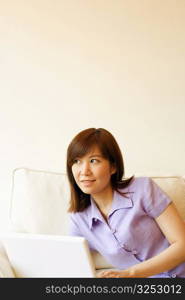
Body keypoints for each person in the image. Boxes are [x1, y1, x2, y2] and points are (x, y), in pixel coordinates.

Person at [66, 128, 185, 278]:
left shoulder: (143, 189)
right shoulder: (79, 218)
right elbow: (70, 263)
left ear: (113, 166)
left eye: (93, 161)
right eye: (77, 161)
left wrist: (131, 273)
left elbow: (182, 245)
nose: (84, 171)